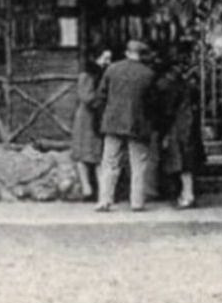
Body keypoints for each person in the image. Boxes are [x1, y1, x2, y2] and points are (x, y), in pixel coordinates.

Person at [93, 39, 158, 211]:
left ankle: (104, 201)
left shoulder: (111, 69)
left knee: (109, 163)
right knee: (139, 165)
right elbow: (153, 104)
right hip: (138, 125)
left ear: (127, 53)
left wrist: (105, 117)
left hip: (113, 123)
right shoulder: (148, 74)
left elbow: (100, 97)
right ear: (142, 55)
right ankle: (137, 202)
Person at [156, 57, 205, 209]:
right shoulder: (189, 87)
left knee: (182, 163)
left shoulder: (172, 89)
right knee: (186, 163)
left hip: (180, 130)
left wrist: (163, 132)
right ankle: (187, 194)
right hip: (188, 127)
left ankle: (187, 195)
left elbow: (168, 112)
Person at [70, 49, 111, 199]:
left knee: (98, 155)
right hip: (87, 119)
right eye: (105, 58)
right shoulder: (86, 75)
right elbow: (86, 97)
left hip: (97, 117)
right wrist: (103, 100)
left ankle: (101, 191)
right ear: (96, 58)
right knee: (84, 154)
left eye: (109, 59)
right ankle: (87, 188)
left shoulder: (103, 75)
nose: (107, 62)